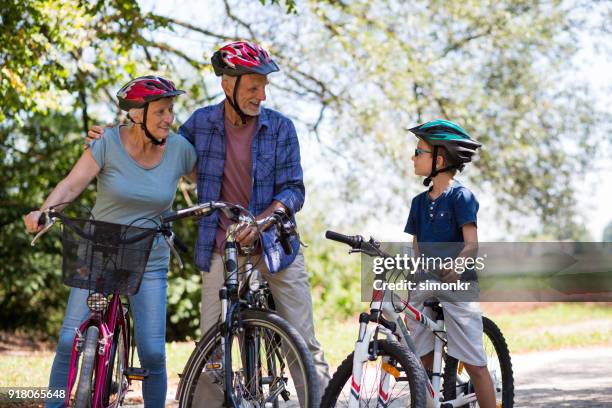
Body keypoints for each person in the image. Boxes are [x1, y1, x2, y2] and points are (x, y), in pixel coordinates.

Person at [88, 41, 330, 405]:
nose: (261, 95)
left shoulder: (281, 129)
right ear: (227, 84)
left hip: (275, 245)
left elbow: (294, 190)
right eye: (252, 86)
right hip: (222, 245)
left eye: (264, 86)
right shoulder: (201, 124)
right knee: (212, 347)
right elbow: (157, 143)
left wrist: (263, 223)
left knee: (301, 339)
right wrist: (114, 138)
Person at [24, 75, 197, 408]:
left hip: (149, 257)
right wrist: (44, 212)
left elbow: (212, 180)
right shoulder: (107, 142)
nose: (168, 119)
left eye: (170, 110)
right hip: (99, 250)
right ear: (137, 114)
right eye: (160, 111)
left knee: (152, 353)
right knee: (66, 342)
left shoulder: (179, 150)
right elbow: (72, 185)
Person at [404, 119, 497, 407]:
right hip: (427, 282)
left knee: (474, 363)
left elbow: (472, 244)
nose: (413, 156)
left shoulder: (461, 197)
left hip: (458, 285)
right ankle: (430, 391)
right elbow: (417, 249)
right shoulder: (418, 203)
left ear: (439, 160)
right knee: (414, 343)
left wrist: (457, 267)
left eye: (419, 152)